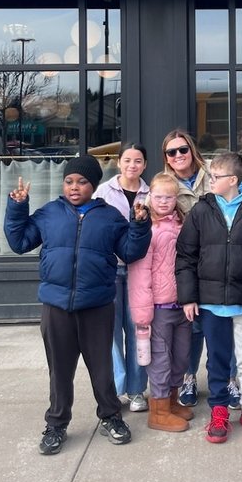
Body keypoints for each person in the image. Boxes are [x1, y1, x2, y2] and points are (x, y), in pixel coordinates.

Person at [4, 155, 151, 455]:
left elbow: (130, 251)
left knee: (102, 368)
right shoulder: (49, 213)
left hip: (96, 305)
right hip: (56, 306)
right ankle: (56, 423)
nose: (74, 187)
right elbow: (19, 242)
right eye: (69, 181)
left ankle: (111, 416)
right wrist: (18, 207)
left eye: (82, 182)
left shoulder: (110, 217)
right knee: (59, 370)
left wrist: (139, 224)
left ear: (93, 186)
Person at [177, 151, 242, 443]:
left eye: (215, 176)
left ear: (232, 180)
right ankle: (218, 409)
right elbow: (186, 256)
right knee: (217, 359)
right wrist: (188, 297)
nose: (210, 180)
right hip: (210, 301)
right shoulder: (200, 211)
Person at [127, 172, 192, 433]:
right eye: (158, 197)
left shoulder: (182, 224)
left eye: (169, 197)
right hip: (158, 308)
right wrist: (143, 314)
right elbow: (139, 274)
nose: (164, 202)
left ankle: (172, 401)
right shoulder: (147, 228)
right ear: (149, 197)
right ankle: (159, 411)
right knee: (160, 360)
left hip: (182, 304)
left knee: (181, 356)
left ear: (177, 198)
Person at [161, 129, 218, 408]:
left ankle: (227, 379)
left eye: (182, 149)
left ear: (192, 150)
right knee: (192, 327)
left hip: (220, 260)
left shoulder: (214, 173)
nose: (178, 155)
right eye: (171, 152)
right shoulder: (164, 184)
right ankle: (189, 377)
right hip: (187, 263)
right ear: (166, 157)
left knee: (221, 325)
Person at [95, 142, 151, 413]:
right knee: (112, 333)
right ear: (118, 162)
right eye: (127, 160)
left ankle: (137, 390)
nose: (132, 165)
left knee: (139, 330)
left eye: (138, 161)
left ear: (145, 165)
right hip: (110, 270)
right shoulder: (103, 192)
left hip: (141, 270)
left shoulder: (151, 193)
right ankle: (117, 389)